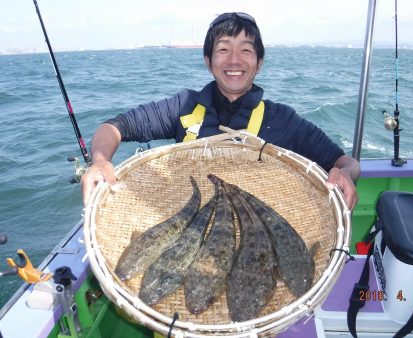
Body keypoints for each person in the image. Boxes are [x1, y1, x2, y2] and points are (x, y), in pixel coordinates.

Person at [81, 12, 360, 209]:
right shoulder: (183, 106)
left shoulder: (283, 120)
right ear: (208, 61)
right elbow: (114, 127)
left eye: (246, 51)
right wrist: (101, 159)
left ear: (259, 62)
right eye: (223, 49)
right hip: (190, 220)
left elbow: (345, 162)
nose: (234, 60)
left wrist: (345, 174)